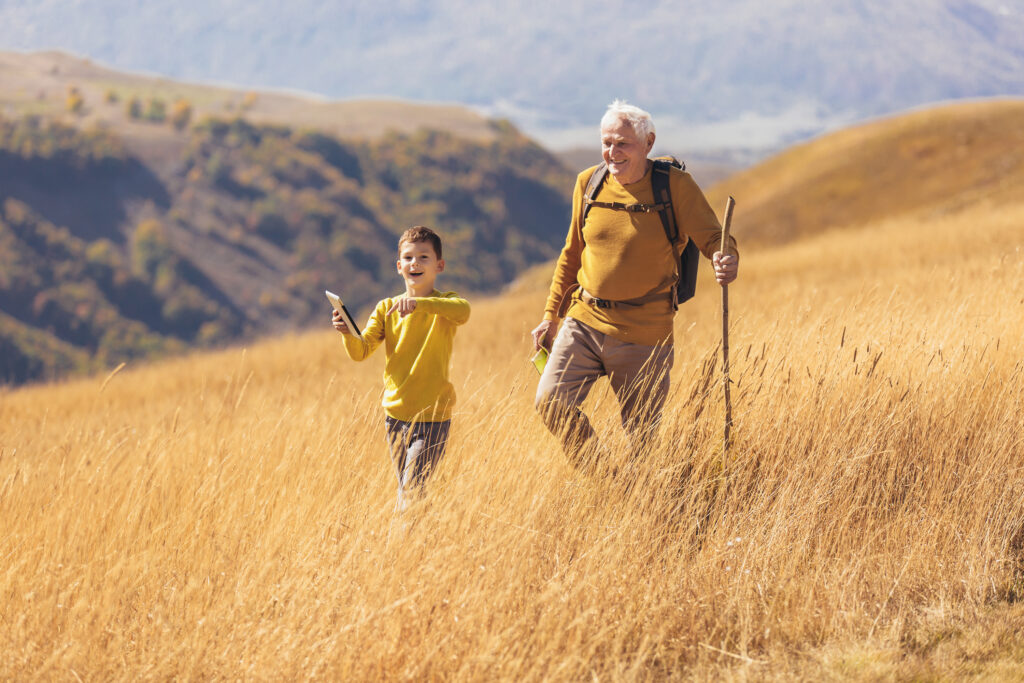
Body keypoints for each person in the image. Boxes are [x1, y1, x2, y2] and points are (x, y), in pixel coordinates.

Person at [531, 100, 739, 470]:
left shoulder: (674, 186)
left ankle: (636, 492)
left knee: (642, 439)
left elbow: (713, 237)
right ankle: (608, 481)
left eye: (622, 143)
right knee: (551, 401)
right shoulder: (588, 183)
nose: (612, 152)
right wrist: (551, 316)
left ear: (648, 143)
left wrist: (726, 257)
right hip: (584, 320)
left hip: (645, 331)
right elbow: (572, 253)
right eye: (606, 142)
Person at [334, 226, 471, 510]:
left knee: (409, 496)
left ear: (439, 265)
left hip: (432, 419)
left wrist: (419, 304)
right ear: (399, 266)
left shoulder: (445, 304)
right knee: (410, 494)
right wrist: (347, 333)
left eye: (423, 257)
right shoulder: (386, 308)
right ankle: (427, 535)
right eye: (408, 258)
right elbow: (361, 352)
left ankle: (401, 538)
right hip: (394, 418)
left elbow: (463, 311)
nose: (415, 263)